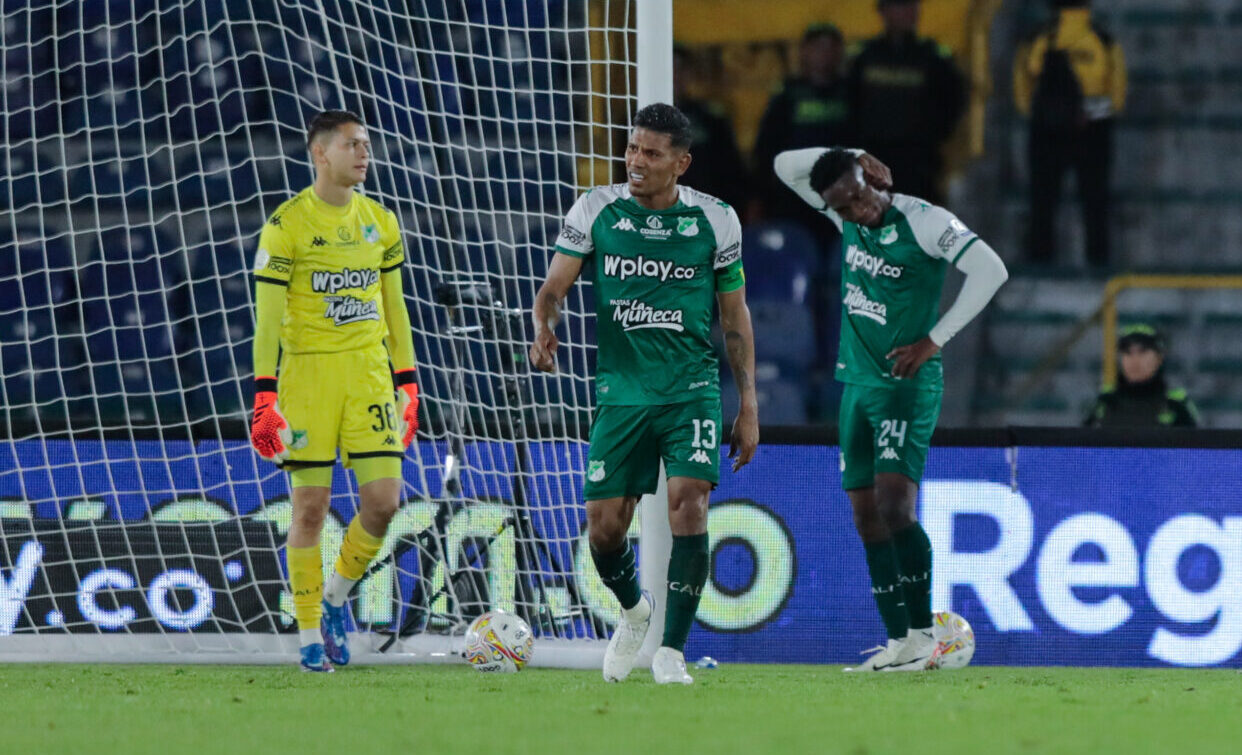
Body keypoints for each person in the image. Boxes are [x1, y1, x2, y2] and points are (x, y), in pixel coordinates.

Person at [530, 103, 759, 685]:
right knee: (605, 529)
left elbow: (734, 317)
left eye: (652, 153)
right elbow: (555, 285)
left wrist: (749, 404)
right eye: (632, 149)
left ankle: (671, 653)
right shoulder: (597, 208)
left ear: (681, 163)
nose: (636, 161)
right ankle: (635, 611)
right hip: (623, 393)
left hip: (691, 390)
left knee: (690, 502)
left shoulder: (716, 220)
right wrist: (545, 324)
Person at [774, 146, 1007, 671]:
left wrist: (934, 339)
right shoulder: (842, 210)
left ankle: (925, 633)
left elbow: (992, 271)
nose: (857, 211)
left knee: (895, 506)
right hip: (855, 384)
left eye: (860, 197)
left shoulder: (925, 222)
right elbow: (783, 164)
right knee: (865, 517)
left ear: (875, 178)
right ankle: (899, 639)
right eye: (844, 208)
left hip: (906, 384)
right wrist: (849, 152)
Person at [250, 110, 420, 672]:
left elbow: (396, 308)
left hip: (368, 374)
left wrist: (408, 381)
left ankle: (334, 599)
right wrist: (264, 396)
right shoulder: (286, 225)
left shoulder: (382, 222)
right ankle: (306, 637)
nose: (365, 153)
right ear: (320, 154)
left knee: (384, 501)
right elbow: (267, 322)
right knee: (310, 508)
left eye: (367, 144)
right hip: (309, 379)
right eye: (353, 145)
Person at [1014, 0, 1126, 268]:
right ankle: (1097, 263)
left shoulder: (1037, 38)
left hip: (1046, 131)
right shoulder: (1102, 39)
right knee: (1095, 202)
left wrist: (1049, 115)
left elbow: (1021, 93)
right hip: (1093, 131)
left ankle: (1039, 263)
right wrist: (1088, 113)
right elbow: (1117, 96)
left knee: (1043, 201)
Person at [845, 0, 967, 205]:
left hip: (920, 163)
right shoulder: (864, 57)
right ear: (883, 11)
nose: (906, 13)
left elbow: (953, 102)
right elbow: (850, 104)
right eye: (898, 6)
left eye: (911, 6)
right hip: (873, 162)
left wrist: (933, 136)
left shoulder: (933, 57)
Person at [752, 23, 851, 225]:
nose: (825, 54)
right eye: (818, 47)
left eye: (831, 47)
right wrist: (760, 196)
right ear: (804, 51)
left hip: (841, 194)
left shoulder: (851, 92)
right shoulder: (787, 95)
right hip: (794, 193)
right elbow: (766, 148)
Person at [673, 44, 750, 214]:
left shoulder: (710, 117)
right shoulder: (635, 120)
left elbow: (731, 169)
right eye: (668, 68)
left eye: (679, 69)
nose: (674, 75)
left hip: (706, 210)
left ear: (689, 74)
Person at [1085, 324, 1198, 427]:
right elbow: (1082, 445)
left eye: (1142, 352)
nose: (1135, 360)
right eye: (1127, 353)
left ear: (1159, 358)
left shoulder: (1175, 404)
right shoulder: (1106, 402)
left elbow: (1197, 446)